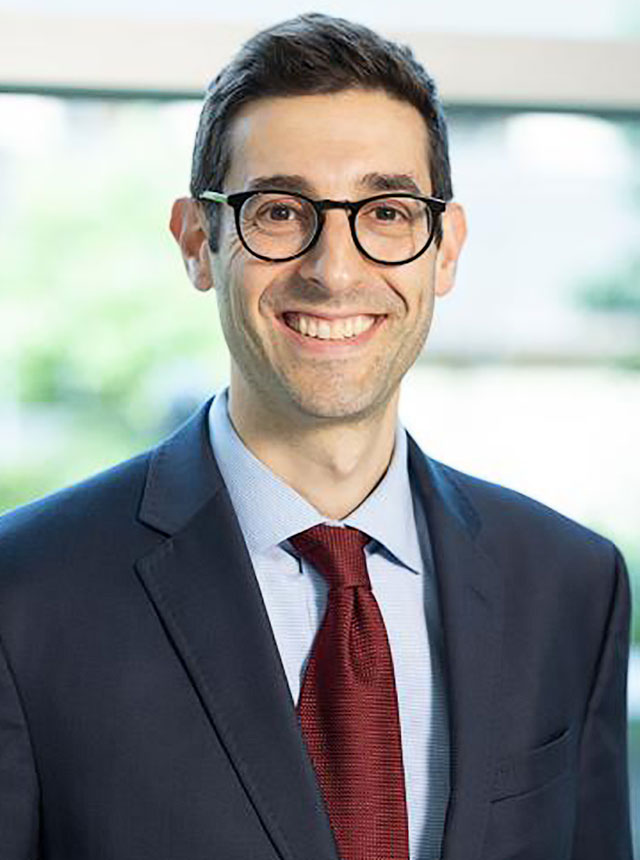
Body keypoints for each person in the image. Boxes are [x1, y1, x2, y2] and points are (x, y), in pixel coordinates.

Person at [0, 13, 632, 860]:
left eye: (389, 211)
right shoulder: (25, 595)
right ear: (198, 243)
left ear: (444, 250)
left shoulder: (570, 586)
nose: (334, 270)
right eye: (280, 211)